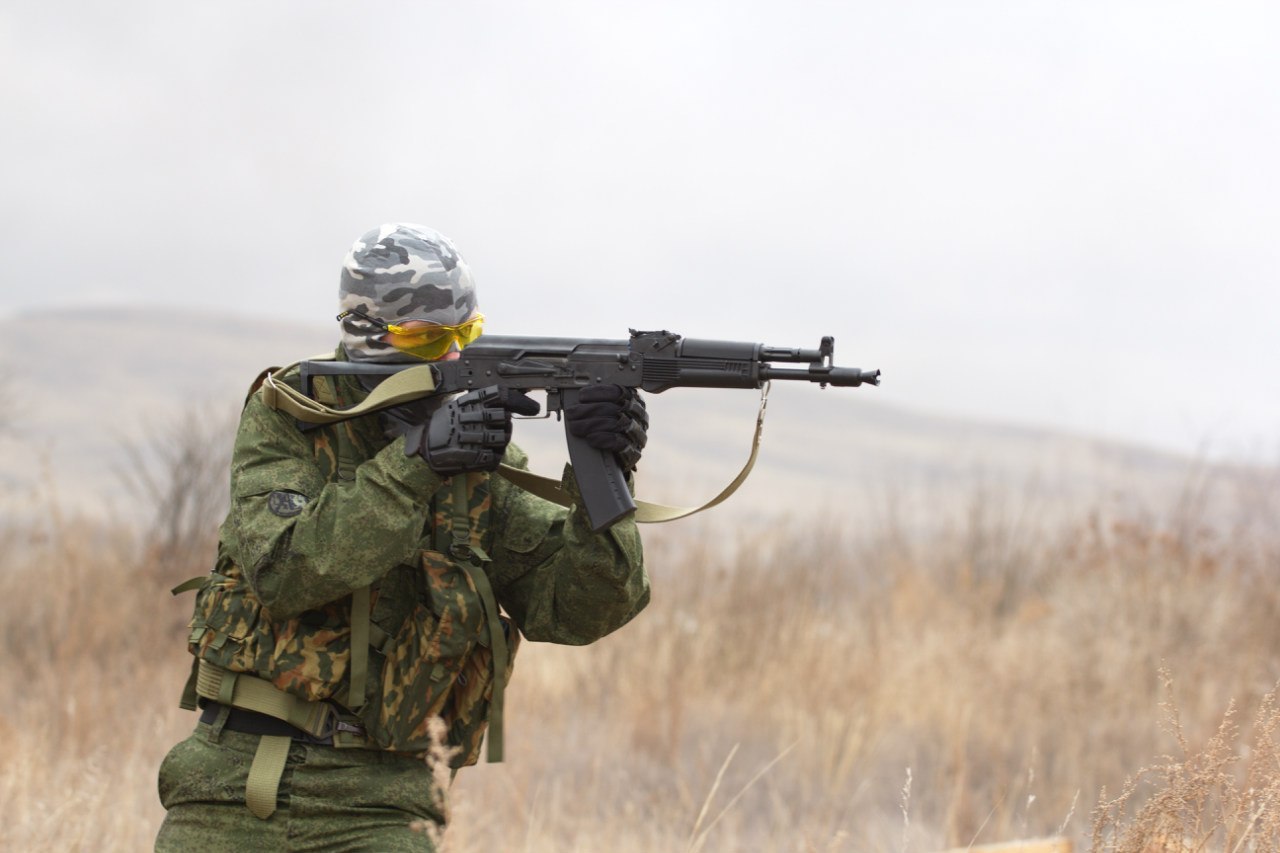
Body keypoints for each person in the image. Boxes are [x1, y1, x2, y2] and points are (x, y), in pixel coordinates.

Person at [155, 223, 651, 851]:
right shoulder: (294, 414)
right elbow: (286, 571)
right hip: (228, 782)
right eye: (429, 339)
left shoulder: (479, 460)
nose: (452, 358)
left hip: (384, 804)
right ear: (365, 333)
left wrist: (605, 471)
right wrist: (417, 464)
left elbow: (574, 612)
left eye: (465, 335)